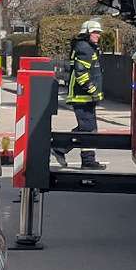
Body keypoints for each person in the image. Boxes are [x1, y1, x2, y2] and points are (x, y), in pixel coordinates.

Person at [51, 19, 106, 170]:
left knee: (89, 129)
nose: (98, 35)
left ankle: (87, 160)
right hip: (82, 97)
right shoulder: (85, 48)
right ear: (87, 33)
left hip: (86, 97)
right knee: (87, 128)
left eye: (98, 33)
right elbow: (82, 74)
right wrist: (93, 90)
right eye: (95, 32)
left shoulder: (88, 47)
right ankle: (60, 147)